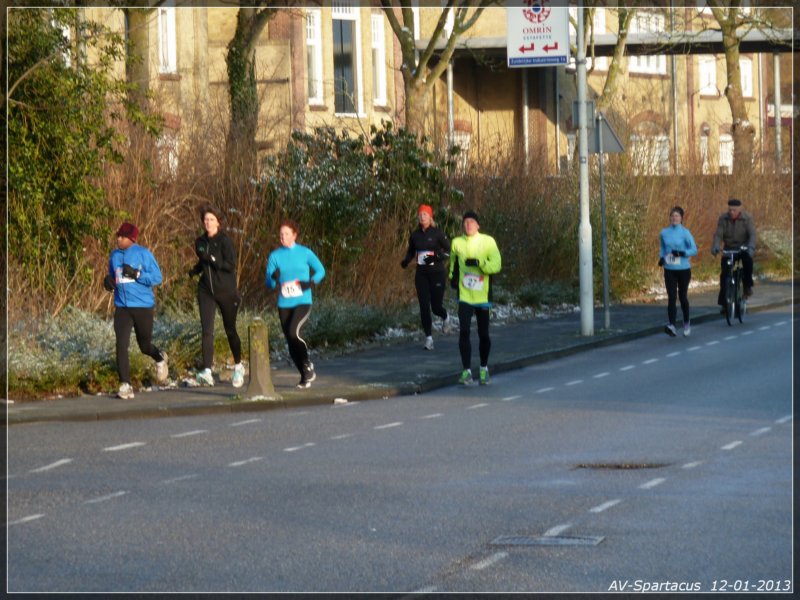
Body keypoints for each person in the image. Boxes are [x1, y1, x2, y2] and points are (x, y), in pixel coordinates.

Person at [104, 222, 168, 399]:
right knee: (121, 344)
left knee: (144, 346)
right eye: (117, 235)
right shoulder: (114, 255)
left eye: (122, 237)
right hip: (122, 308)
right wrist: (108, 282)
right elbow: (112, 276)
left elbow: (157, 277)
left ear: (131, 239)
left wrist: (137, 275)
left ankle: (160, 358)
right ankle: (125, 384)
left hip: (143, 307)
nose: (118, 239)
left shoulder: (143, 254)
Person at [189, 205, 244, 388]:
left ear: (218, 222)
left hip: (226, 291)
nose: (208, 223)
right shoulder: (200, 241)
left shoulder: (224, 241)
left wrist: (212, 259)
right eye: (206, 220)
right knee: (207, 330)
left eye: (212, 219)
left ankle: (238, 366)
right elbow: (201, 259)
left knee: (230, 329)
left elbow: (230, 265)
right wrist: (195, 270)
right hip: (206, 291)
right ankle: (206, 370)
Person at [265, 220, 326, 389]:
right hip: (284, 303)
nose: (282, 237)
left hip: (302, 300)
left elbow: (321, 270)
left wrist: (310, 282)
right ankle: (305, 376)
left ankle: (306, 363)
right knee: (290, 340)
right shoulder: (275, 256)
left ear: (294, 235)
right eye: (280, 234)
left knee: (294, 332)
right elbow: (268, 283)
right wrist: (274, 278)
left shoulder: (305, 253)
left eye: (286, 233)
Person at [449, 211, 502, 386]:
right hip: (464, 295)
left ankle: (484, 368)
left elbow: (497, 264)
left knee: (483, 334)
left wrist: (481, 265)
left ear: (478, 225)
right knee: (464, 331)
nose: (468, 225)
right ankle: (466, 371)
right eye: (465, 222)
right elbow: (453, 264)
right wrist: (452, 278)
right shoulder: (456, 243)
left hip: (483, 295)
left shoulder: (488, 241)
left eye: (472, 222)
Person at [401, 204, 451, 350]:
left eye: (425, 215)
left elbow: (448, 251)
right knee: (424, 306)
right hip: (421, 274)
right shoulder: (415, 235)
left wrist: (437, 256)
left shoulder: (437, 233)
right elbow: (411, 251)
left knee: (435, 307)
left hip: (437, 273)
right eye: (420, 215)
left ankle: (445, 317)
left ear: (430, 217)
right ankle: (428, 339)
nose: (422, 217)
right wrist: (406, 261)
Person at [659, 206, 697, 337]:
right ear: (669, 218)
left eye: (677, 216)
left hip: (683, 269)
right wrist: (661, 258)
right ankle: (672, 325)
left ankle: (686, 322)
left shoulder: (685, 233)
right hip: (669, 269)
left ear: (681, 218)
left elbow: (694, 249)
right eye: (672, 216)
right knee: (671, 298)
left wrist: (682, 253)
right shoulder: (664, 232)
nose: (674, 218)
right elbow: (663, 248)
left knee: (682, 297)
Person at [711, 198, 757, 309]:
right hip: (729, 248)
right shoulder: (723, 218)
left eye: (734, 210)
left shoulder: (747, 218)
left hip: (743, 247)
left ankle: (747, 286)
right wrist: (716, 246)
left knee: (747, 262)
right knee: (725, 274)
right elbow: (718, 235)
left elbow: (752, 235)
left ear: (739, 209)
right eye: (730, 210)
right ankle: (724, 303)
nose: (732, 212)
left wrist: (750, 247)